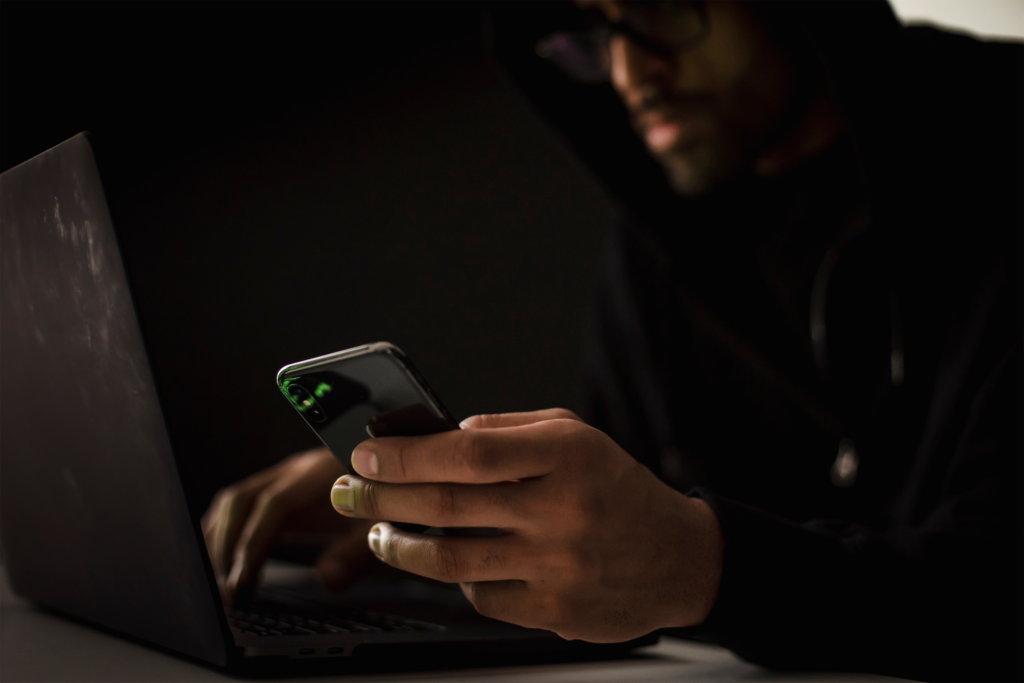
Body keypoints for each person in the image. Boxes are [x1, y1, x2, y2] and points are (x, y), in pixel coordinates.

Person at [202, 1, 1022, 680]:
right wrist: (449, 523)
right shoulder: (664, 237)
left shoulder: (995, 144)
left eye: (664, 10)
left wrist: (710, 567)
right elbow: (621, 507)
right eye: (594, 32)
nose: (632, 76)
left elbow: (993, 588)